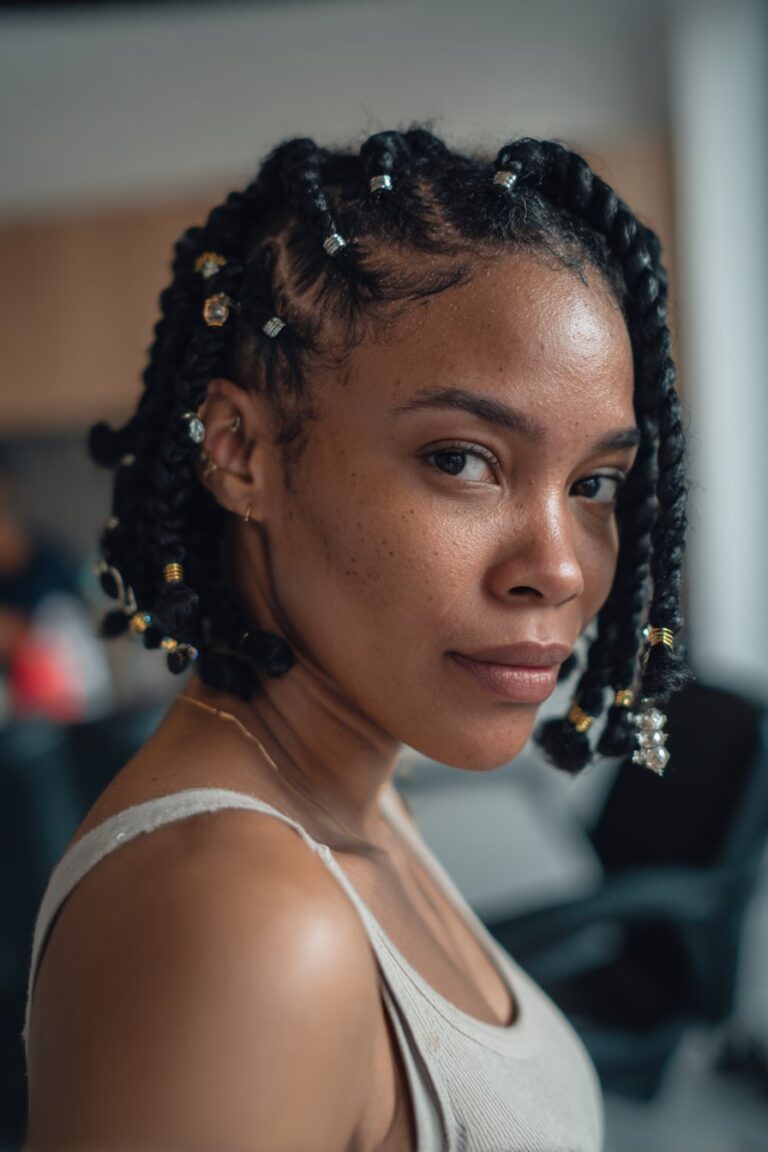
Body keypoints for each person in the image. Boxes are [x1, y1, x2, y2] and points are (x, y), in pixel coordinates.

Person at [21, 127, 691, 1151]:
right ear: (241, 453)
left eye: (593, 484)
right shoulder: (243, 923)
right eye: (464, 459)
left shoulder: (357, 781)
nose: (558, 567)